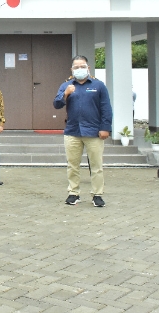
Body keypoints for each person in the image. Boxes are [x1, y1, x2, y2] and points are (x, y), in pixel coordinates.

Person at [53, 55, 112, 207]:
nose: (79, 69)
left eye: (82, 66)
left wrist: (105, 128)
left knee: (96, 165)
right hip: (73, 131)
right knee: (72, 165)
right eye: (76, 67)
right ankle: (73, 193)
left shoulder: (98, 85)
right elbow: (57, 104)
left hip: (94, 132)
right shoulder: (66, 85)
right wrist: (66, 93)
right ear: (71, 70)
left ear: (88, 68)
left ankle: (97, 194)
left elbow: (106, 108)